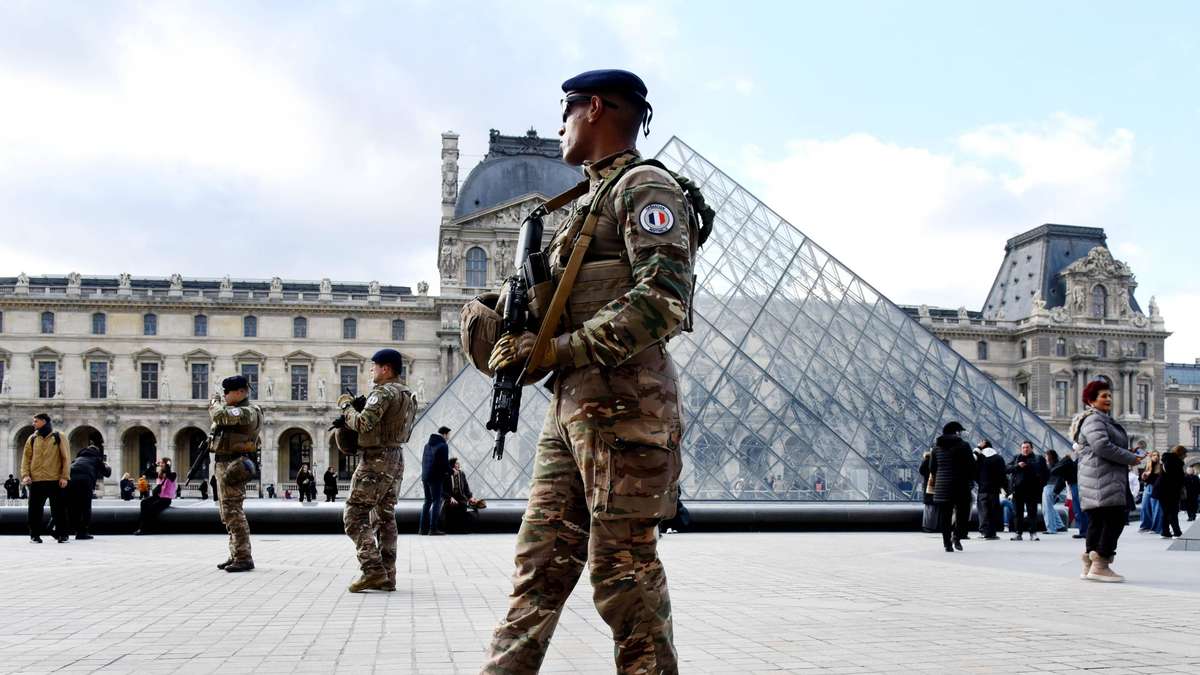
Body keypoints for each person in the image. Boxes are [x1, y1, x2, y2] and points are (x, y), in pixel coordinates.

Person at [477, 69, 708, 674]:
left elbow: (662, 301)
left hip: (627, 409)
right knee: (540, 564)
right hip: (572, 406)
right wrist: (514, 336)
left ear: (595, 109)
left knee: (623, 575)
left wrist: (556, 351)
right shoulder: (586, 202)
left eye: (566, 110)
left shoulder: (645, 188)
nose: (559, 125)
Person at [336, 348, 417, 593]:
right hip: (395, 457)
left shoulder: (382, 392)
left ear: (386, 369)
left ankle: (372, 570)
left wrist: (346, 407)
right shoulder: (407, 393)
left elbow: (363, 423)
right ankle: (388, 575)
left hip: (376, 459)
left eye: (373, 367)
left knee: (354, 515)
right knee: (385, 516)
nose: (371, 371)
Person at [1075, 379, 1143, 582]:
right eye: (1103, 396)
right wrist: (1131, 457)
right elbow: (1102, 447)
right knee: (1115, 520)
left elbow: (1102, 446)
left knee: (1098, 521)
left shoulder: (1095, 419)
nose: (1108, 399)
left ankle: (1090, 563)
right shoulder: (1095, 420)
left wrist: (1127, 453)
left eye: (1109, 395)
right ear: (1091, 400)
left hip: (1098, 478)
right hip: (1102, 479)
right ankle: (1101, 563)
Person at [210, 375, 263, 573]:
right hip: (226, 463)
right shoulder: (238, 410)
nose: (224, 396)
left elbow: (219, 415)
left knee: (234, 512)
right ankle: (236, 553)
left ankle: (243, 557)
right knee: (227, 512)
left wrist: (214, 403)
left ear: (241, 392)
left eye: (227, 392)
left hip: (235, 464)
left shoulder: (248, 411)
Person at [20, 413, 70, 544]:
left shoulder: (59, 437)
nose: (33, 423)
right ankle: (34, 535)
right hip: (36, 480)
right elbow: (26, 458)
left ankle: (62, 535)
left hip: (55, 479)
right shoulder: (32, 438)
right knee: (34, 510)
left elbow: (66, 458)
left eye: (36, 421)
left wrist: (64, 476)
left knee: (58, 510)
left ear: (44, 421)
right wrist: (25, 475)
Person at [929, 421, 976, 552]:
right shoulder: (964, 446)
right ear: (956, 432)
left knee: (945, 516)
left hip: (942, 487)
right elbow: (971, 466)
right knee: (962, 514)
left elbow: (932, 468)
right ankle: (957, 537)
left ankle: (947, 544)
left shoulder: (936, 447)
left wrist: (940, 478)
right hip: (961, 486)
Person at [67, 439, 110, 540]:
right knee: (85, 507)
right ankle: (82, 533)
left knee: (72, 507)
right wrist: (106, 464)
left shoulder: (77, 459)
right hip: (85, 481)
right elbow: (107, 473)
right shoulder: (96, 458)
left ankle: (71, 529)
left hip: (70, 480)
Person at [1007, 440, 1047, 541]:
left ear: (1032, 448)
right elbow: (1006, 468)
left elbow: (1044, 471)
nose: (1025, 449)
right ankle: (1018, 533)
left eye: (1027, 447)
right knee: (1017, 513)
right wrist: (1017, 466)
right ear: (1021, 449)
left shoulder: (1038, 458)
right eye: (1023, 447)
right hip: (1017, 490)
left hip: (1032, 490)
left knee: (1032, 513)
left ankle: (1033, 533)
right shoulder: (1016, 458)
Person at [419, 426, 451, 536]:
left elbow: (424, 462)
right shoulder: (443, 446)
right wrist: (452, 472)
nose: (449, 437)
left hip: (425, 476)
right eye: (449, 435)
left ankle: (422, 529)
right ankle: (433, 529)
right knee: (437, 501)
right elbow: (444, 464)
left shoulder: (427, 445)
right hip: (436, 478)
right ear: (445, 434)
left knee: (427, 501)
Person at [974, 440, 1008, 540]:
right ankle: (992, 533)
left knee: (983, 511)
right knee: (993, 511)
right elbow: (1003, 475)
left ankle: (984, 531)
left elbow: (974, 472)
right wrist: (1004, 488)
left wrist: (980, 482)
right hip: (994, 489)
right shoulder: (999, 458)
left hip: (982, 489)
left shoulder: (980, 458)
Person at [133, 458, 177, 535]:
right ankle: (141, 527)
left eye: (163, 463)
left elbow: (169, 475)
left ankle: (145, 529)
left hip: (166, 499)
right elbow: (145, 473)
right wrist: (154, 465)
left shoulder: (173, 474)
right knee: (144, 502)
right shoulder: (159, 474)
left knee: (152, 508)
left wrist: (167, 466)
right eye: (161, 463)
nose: (161, 464)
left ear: (167, 464)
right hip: (157, 497)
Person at [1050, 451, 1087, 539]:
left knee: (1079, 509)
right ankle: (1084, 531)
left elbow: (1055, 471)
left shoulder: (1070, 462)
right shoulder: (1077, 461)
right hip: (1079, 484)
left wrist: (1067, 459)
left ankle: (1084, 531)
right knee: (1080, 509)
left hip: (1076, 485)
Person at [442, 457, 480, 533]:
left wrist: (470, 497)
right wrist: (450, 498)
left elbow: (466, 486)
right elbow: (442, 490)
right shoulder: (446, 474)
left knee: (463, 505)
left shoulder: (462, 474)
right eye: (456, 463)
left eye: (458, 463)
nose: (459, 465)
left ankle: (462, 529)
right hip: (450, 497)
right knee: (450, 507)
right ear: (452, 465)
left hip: (461, 497)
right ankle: (450, 530)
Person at [1157, 446, 1187, 539]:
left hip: (1163, 490)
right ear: (1180, 453)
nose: (1185, 456)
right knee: (1173, 512)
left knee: (1166, 512)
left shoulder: (1168, 460)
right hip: (1169, 491)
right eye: (1184, 453)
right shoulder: (1174, 462)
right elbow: (1175, 479)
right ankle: (1177, 532)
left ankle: (1165, 532)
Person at [1138, 449, 1163, 534]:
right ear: (1151, 456)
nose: (1156, 457)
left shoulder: (1161, 466)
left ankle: (1156, 528)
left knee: (1156, 508)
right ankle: (1145, 526)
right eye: (1154, 455)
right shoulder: (1148, 465)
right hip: (1148, 487)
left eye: (1157, 455)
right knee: (1145, 507)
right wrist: (1144, 477)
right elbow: (1142, 479)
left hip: (1157, 488)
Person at [1041, 450, 1065, 534]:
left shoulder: (1049, 466)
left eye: (1046, 456)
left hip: (1049, 487)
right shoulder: (1057, 465)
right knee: (1050, 508)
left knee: (1047, 509)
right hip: (1053, 487)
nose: (1045, 457)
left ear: (1050, 457)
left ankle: (1051, 529)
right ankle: (1059, 525)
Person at [918, 450, 936, 533]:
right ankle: (929, 526)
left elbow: (921, 471)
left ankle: (928, 526)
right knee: (931, 508)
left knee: (929, 508)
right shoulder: (929, 459)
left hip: (929, 488)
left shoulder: (928, 459)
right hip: (932, 488)